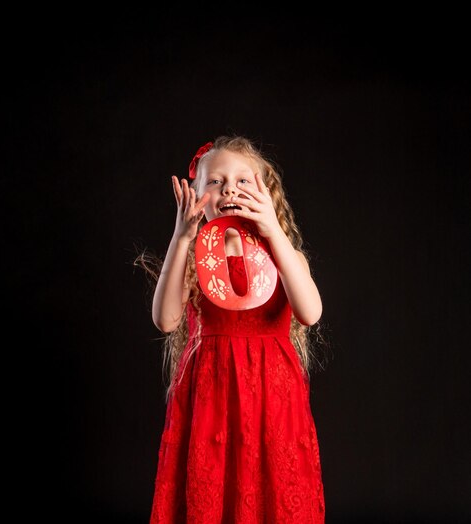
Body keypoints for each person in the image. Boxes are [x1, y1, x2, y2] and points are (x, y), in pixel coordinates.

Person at [136, 135, 328, 522]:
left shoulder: (282, 252)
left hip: (273, 397)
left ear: (266, 191)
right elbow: (165, 319)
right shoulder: (193, 256)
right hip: (212, 394)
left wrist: (273, 230)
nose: (229, 189)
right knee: (213, 486)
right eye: (215, 181)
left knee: (274, 484)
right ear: (196, 195)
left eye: (243, 180)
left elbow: (310, 312)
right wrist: (181, 237)